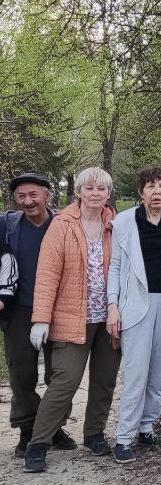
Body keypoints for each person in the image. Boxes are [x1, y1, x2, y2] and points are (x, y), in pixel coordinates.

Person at [22, 168, 120, 472]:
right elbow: (47, 274)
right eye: (89, 188)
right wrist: (41, 319)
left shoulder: (115, 224)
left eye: (101, 189)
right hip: (71, 318)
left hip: (109, 319)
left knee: (104, 380)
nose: (95, 193)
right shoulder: (62, 225)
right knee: (64, 382)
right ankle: (38, 443)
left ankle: (93, 433)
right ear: (79, 191)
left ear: (107, 193)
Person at [107, 166, 161, 463]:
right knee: (135, 372)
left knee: (158, 370)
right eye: (151, 186)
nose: (157, 192)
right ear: (141, 191)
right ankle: (124, 437)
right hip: (135, 304)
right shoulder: (124, 222)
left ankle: (147, 426)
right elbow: (115, 266)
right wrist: (112, 306)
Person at [0, 173, 75, 457]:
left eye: (34, 195)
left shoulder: (65, 225)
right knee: (21, 374)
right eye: (22, 196)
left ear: (48, 195)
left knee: (62, 374)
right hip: (19, 310)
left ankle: (53, 426)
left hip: (60, 308)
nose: (28, 201)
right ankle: (28, 429)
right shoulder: (7, 226)